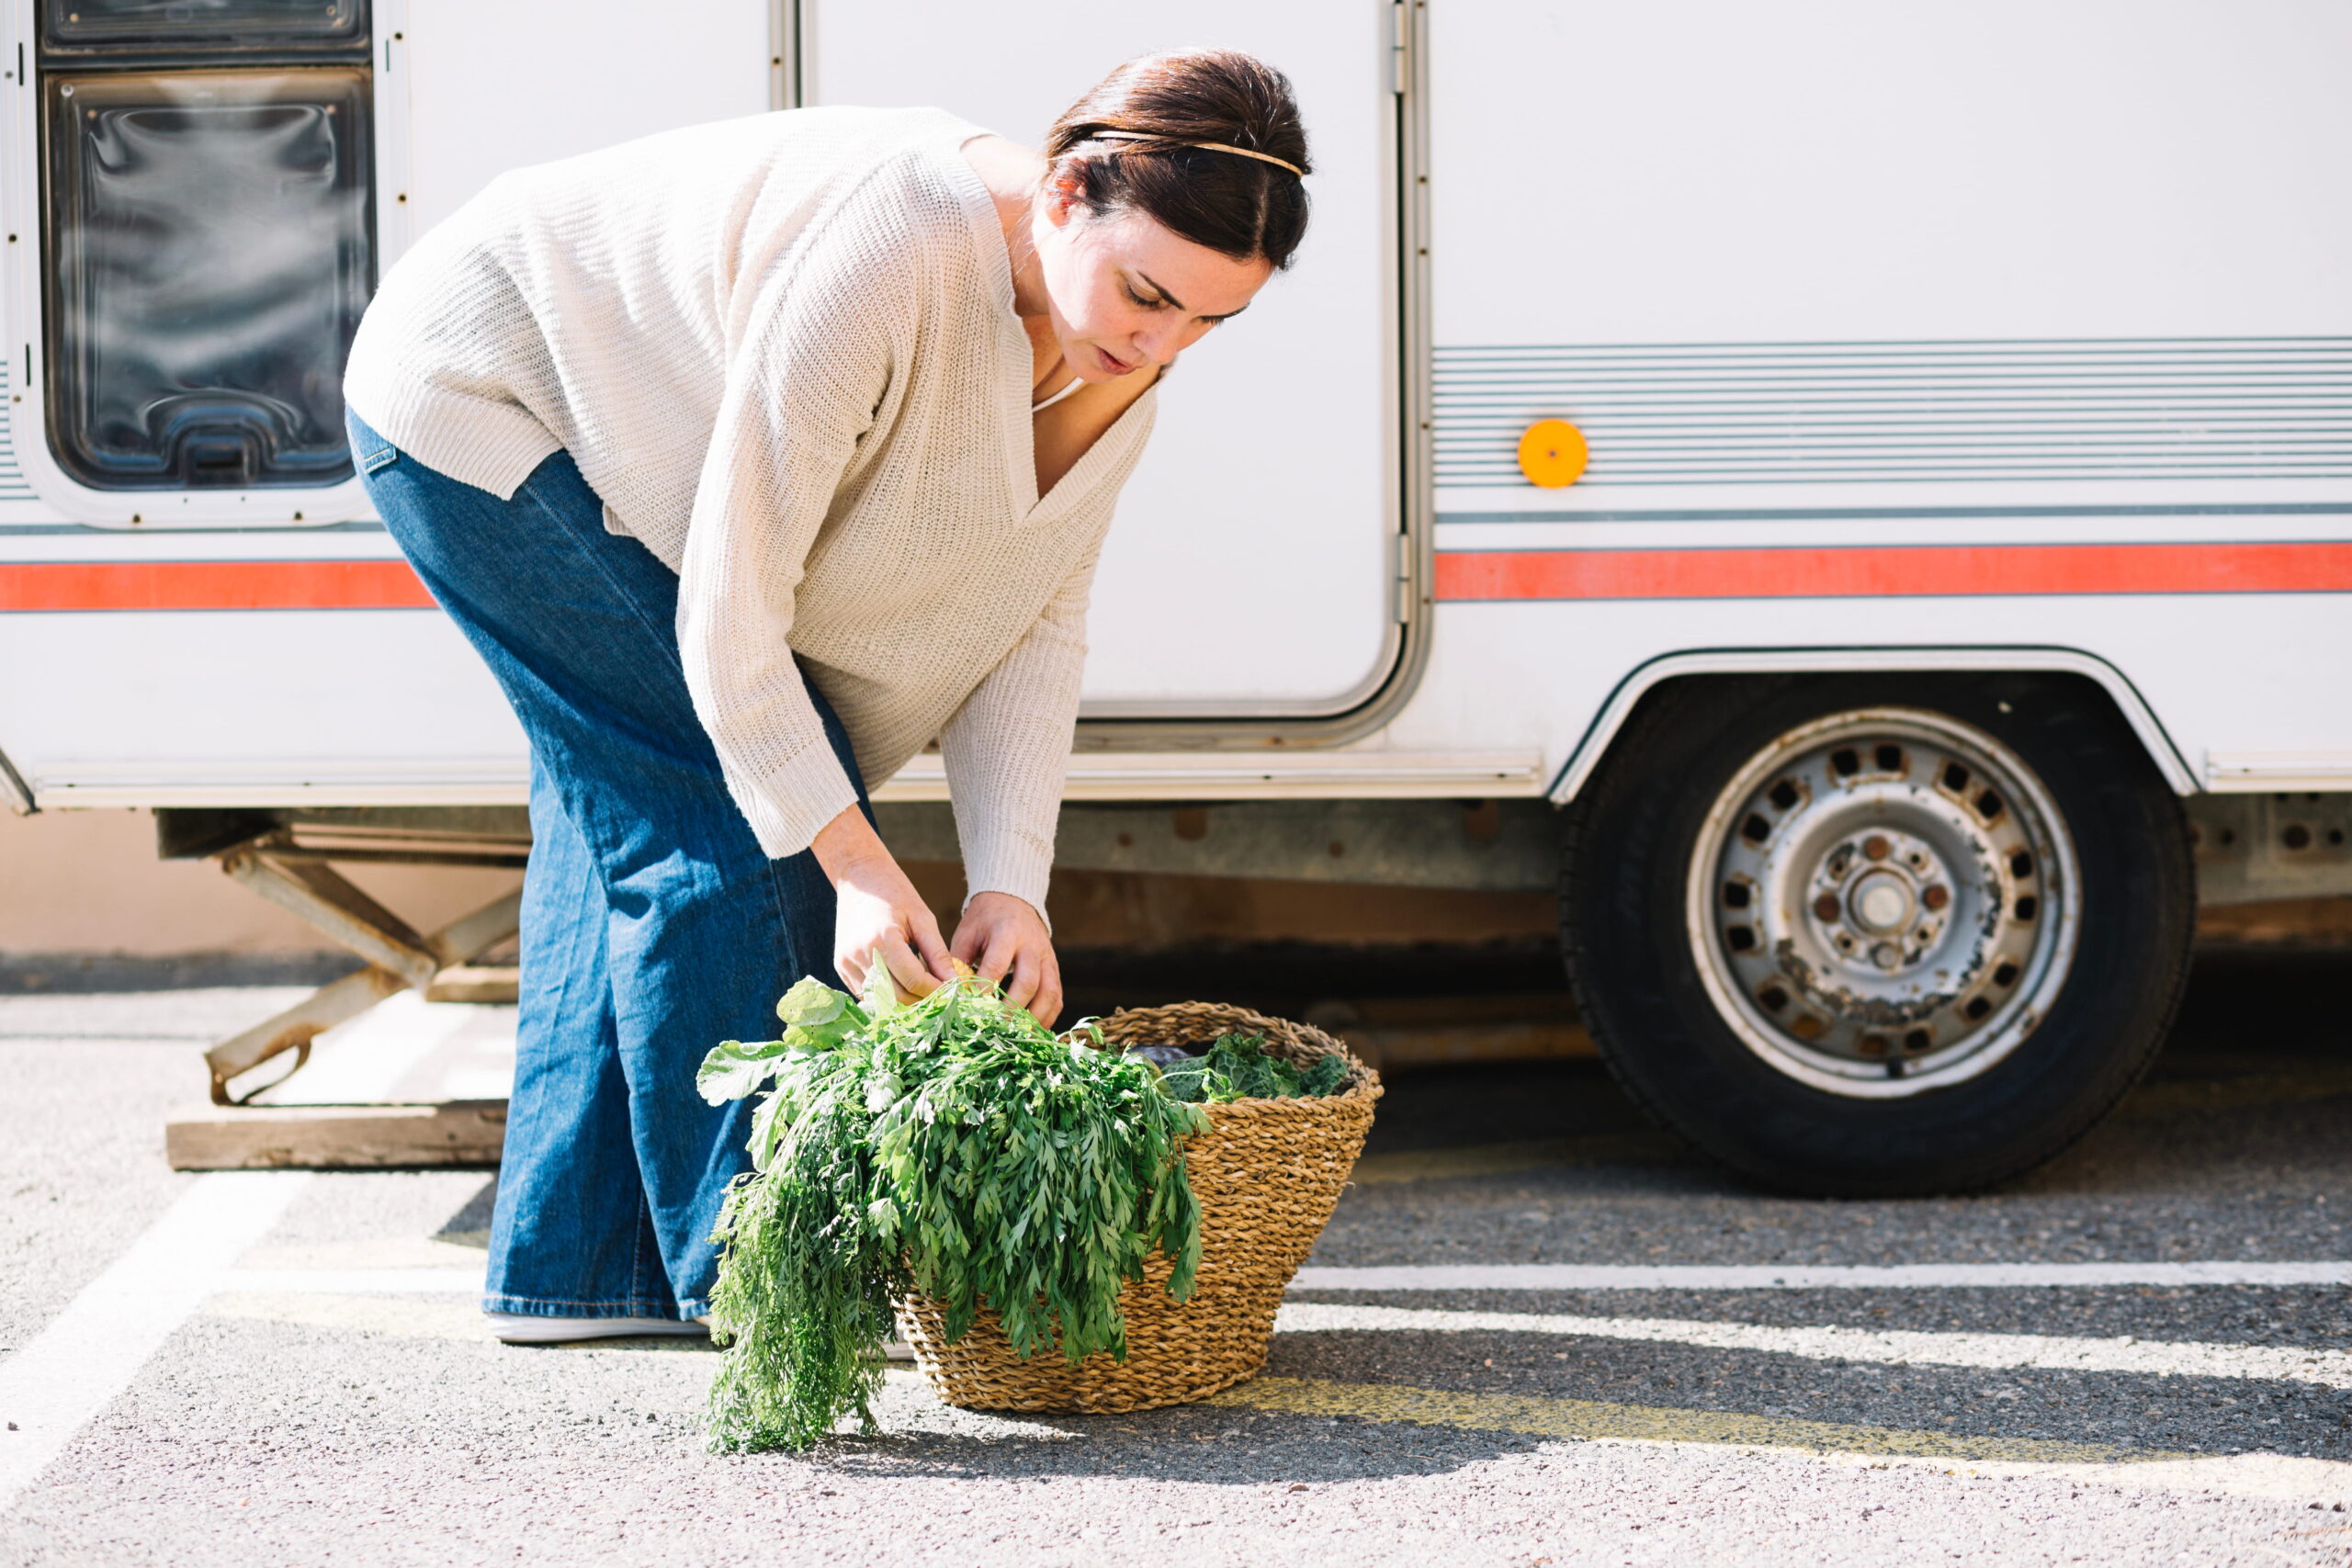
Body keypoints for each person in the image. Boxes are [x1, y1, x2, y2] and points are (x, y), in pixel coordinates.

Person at [340, 51, 1313, 1342]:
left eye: (1209, 321)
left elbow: (1035, 614)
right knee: (737, 821)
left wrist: (1009, 880)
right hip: (481, 387)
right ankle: (762, 1291)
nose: (1163, 343)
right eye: (1149, 296)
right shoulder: (892, 247)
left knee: (640, 798)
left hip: (606, 450)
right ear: (1069, 191)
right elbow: (737, 608)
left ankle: (569, 1275)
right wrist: (852, 858)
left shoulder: (1116, 355)